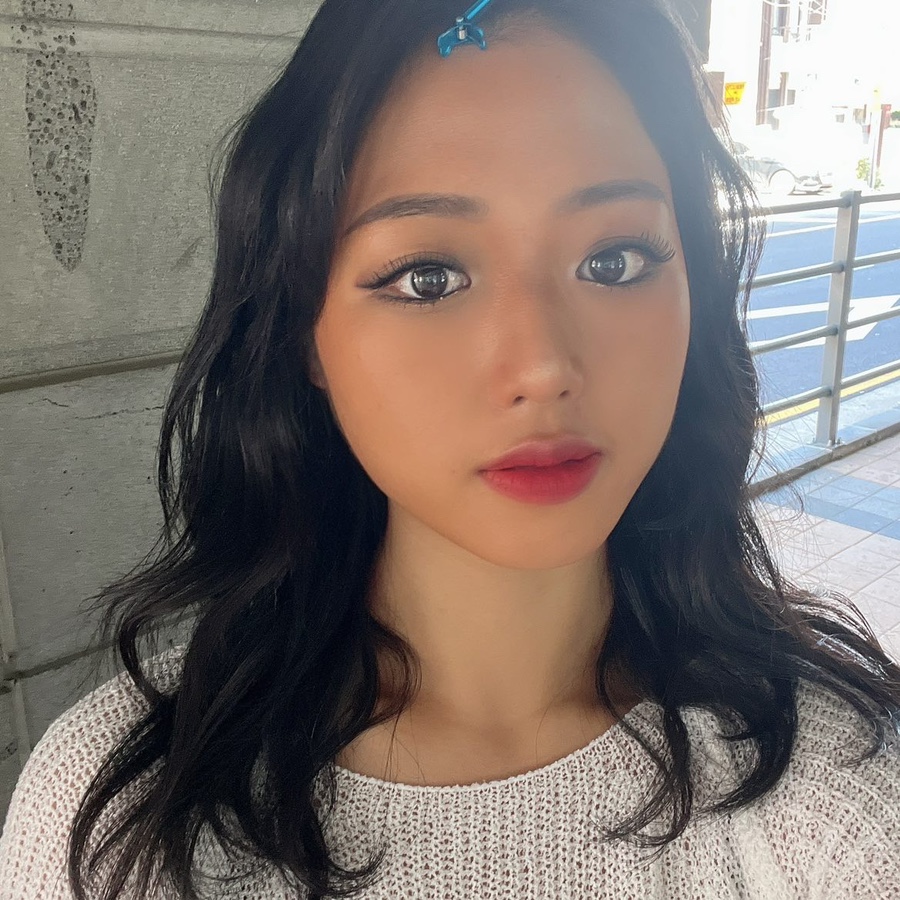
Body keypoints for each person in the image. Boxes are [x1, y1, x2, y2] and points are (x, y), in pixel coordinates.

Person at [2, 0, 899, 897]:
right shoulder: (120, 819)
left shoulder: (842, 794)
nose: (543, 367)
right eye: (429, 278)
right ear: (302, 333)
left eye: (616, 260)